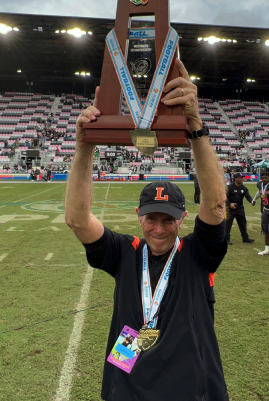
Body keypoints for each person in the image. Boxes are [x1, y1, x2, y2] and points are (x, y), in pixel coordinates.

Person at [64, 59, 230, 400]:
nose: (158, 228)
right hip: (128, 387)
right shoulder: (125, 252)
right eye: (152, 218)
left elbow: (214, 206)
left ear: (182, 219)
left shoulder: (199, 254)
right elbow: (78, 220)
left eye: (168, 219)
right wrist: (84, 146)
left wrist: (195, 126)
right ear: (139, 216)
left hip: (188, 389)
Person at [225, 173, 255, 245]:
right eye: (240, 178)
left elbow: (248, 196)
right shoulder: (229, 187)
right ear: (235, 178)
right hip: (230, 209)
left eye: (242, 178)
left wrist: (252, 201)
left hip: (240, 208)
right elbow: (223, 198)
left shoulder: (244, 188)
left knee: (243, 223)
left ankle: (245, 238)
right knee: (228, 224)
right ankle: (226, 239)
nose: (242, 179)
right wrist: (230, 204)